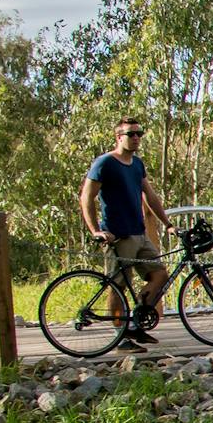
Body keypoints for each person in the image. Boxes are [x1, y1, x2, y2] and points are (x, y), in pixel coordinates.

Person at [79, 119, 172, 352]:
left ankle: (136, 322)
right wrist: (95, 231)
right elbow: (86, 197)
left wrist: (168, 224)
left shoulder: (137, 164)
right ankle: (119, 336)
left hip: (139, 234)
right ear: (119, 137)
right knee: (118, 285)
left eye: (139, 133)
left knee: (160, 275)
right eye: (131, 134)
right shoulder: (105, 163)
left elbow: (150, 197)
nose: (136, 137)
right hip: (117, 235)